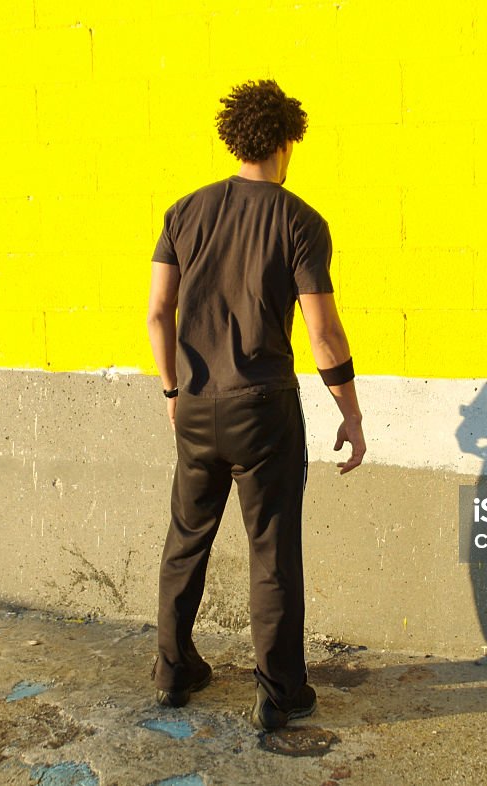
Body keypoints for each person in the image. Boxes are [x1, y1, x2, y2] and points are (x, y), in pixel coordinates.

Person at [145, 79, 366, 731]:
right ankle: (280, 692)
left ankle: (173, 670)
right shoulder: (298, 220)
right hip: (263, 410)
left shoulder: (183, 212)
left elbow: (159, 311)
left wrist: (170, 389)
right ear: (288, 140)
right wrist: (349, 412)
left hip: (194, 402)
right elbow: (324, 333)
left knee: (185, 539)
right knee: (271, 549)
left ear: (234, 138)